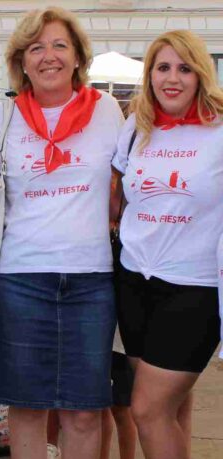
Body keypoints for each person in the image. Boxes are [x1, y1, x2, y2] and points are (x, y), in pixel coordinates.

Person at [0, 7, 124, 459]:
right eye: (35, 48)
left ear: (79, 57)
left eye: (59, 45)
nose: (48, 56)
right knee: (27, 406)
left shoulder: (108, 112)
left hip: (91, 281)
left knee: (84, 411)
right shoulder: (0, 118)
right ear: (21, 61)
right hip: (20, 279)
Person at [113, 30, 223, 459]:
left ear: (200, 75)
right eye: (162, 68)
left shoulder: (218, 132)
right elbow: (118, 193)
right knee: (169, 408)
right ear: (150, 76)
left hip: (193, 287)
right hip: (135, 280)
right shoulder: (136, 127)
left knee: (147, 409)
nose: (172, 78)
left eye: (184, 68)